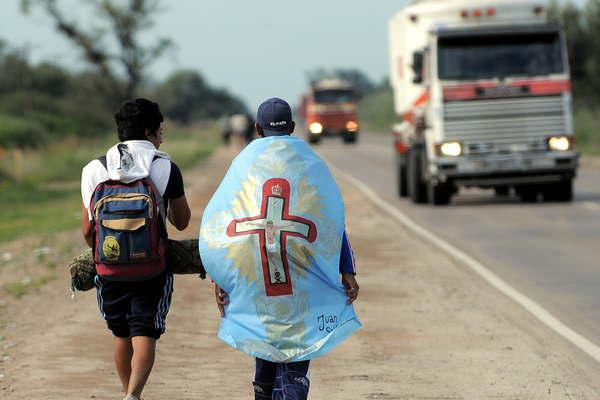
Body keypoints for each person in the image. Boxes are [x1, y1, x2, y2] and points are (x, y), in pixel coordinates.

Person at [200, 97, 360, 400]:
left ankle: (264, 390)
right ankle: (294, 389)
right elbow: (329, 218)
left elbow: (222, 223)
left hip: (256, 264)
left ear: (257, 128)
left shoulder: (243, 164)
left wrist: (219, 276)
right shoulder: (310, 162)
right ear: (293, 126)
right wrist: (347, 269)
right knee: (298, 336)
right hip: (301, 267)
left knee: (266, 331)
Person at [80, 98, 191, 400]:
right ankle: (134, 395)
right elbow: (182, 222)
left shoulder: (95, 168)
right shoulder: (165, 166)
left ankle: (128, 393)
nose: (162, 137)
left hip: (110, 268)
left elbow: (88, 231)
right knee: (145, 331)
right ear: (149, 131)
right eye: (160, 131)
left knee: (121, 333)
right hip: (152, 268)